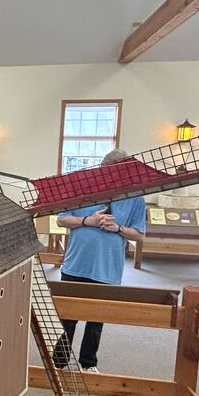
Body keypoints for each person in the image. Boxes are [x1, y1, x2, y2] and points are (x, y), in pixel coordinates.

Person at [55, 149, 146, 372]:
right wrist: (88, 220)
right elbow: (61, 220)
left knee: (96, 320)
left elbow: (139, 234)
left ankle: (88, 362)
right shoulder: (81, 189)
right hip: (76, 264)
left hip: (108, 269)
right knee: (68, 316)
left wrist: (118, 229)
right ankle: (59, 361)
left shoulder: (137, 198)